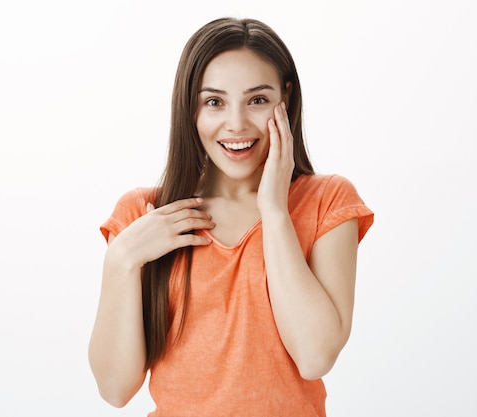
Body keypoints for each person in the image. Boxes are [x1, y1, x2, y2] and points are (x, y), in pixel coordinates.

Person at [88, 17, 374, 417]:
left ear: (285, 98)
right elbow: (115, 389)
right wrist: (121, 261)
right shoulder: (144, 215)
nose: (236, 124)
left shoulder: (326, 200)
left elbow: (315, 356)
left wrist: (274, 210)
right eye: (214, 102)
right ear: (190, 108)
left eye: (257, 100)